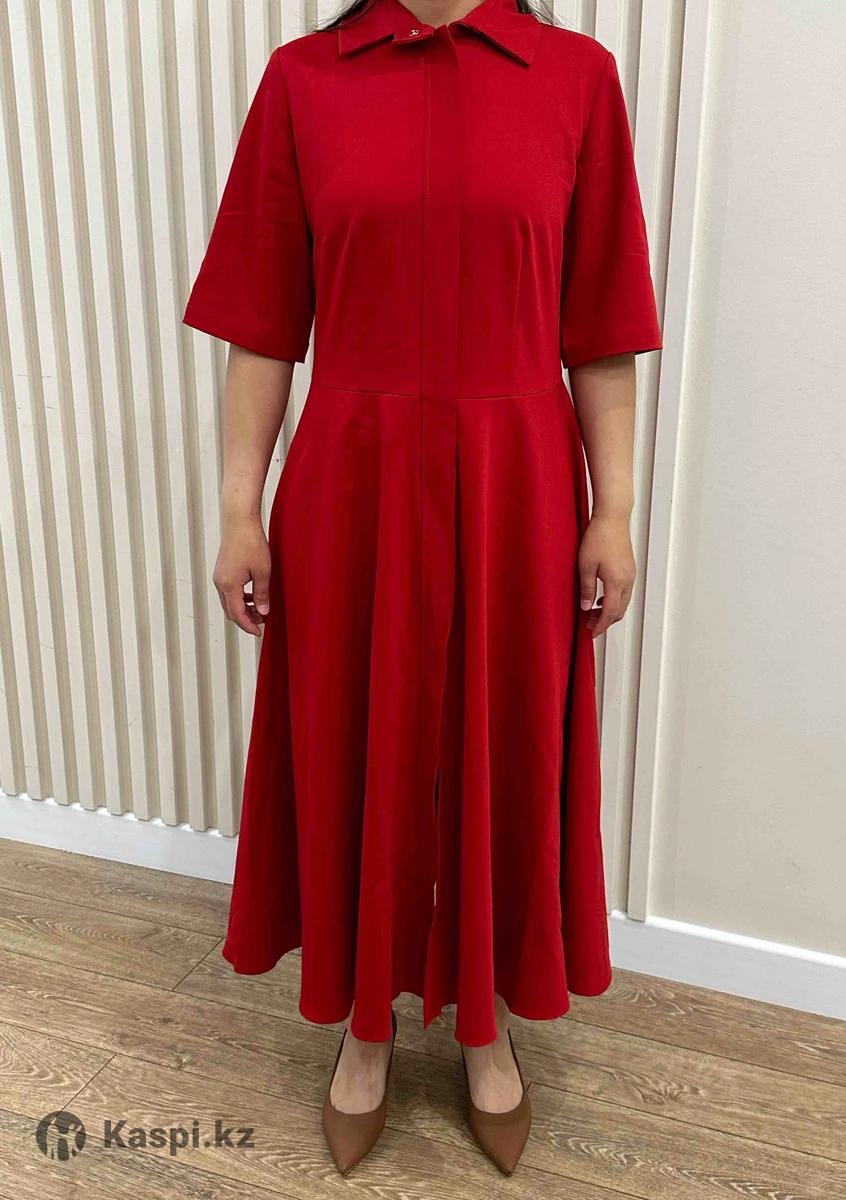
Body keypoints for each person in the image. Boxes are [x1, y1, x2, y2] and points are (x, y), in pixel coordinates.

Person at [182, 0, 662, 1177]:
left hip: (517, 485)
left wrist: (613, 509)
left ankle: (487, 1018)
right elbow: (262, 326)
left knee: (504, 747)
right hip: (353, 480)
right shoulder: (304, 83)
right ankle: (364, 1021)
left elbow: (600, 329)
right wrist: (240, 508)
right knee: (361, 744)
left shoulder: (575, 79)